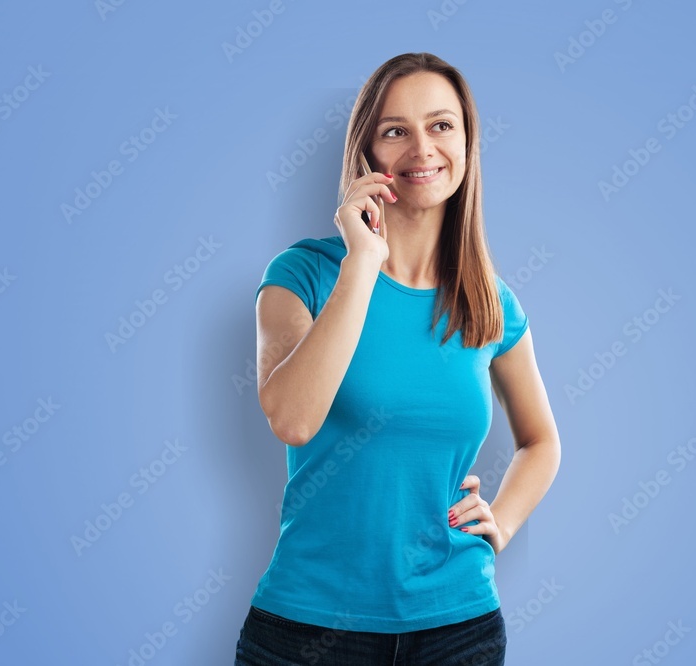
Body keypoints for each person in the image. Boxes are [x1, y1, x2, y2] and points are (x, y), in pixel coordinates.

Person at [235, 52, 561, 665]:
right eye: (395, 130)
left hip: (458, 630)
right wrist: (362, 262)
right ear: (366, 151)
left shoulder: (488, 300)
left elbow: (541, 441)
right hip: (307, 631)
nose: (422, 148)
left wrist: (502, 526)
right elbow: (293, 418)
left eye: (441, 126)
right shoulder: (301, 274)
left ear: (467, 145)